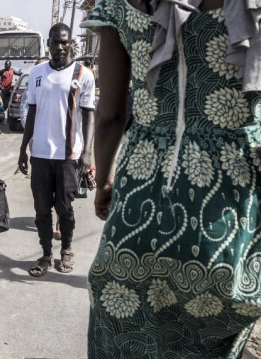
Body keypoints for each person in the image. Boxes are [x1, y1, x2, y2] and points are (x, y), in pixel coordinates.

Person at [81, 0, 261, 357]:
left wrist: (104, 182)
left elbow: (110, 116)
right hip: (227, 203)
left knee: (121, 324)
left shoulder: (117, 6)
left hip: (139, 202)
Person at [17, 23, 95, 276]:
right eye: (55, 42)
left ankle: (67, 251)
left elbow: (89, 115)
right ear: (48, 43)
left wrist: (87, 152)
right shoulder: (37, 73)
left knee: (65, 208)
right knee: (41, 209)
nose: (60, 47)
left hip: (68, 156)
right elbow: (32, 113)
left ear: (71, 43)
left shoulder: (83, 74)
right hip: (40, 153)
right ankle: (46, 255)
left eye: (64, 42)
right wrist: (23, 148)